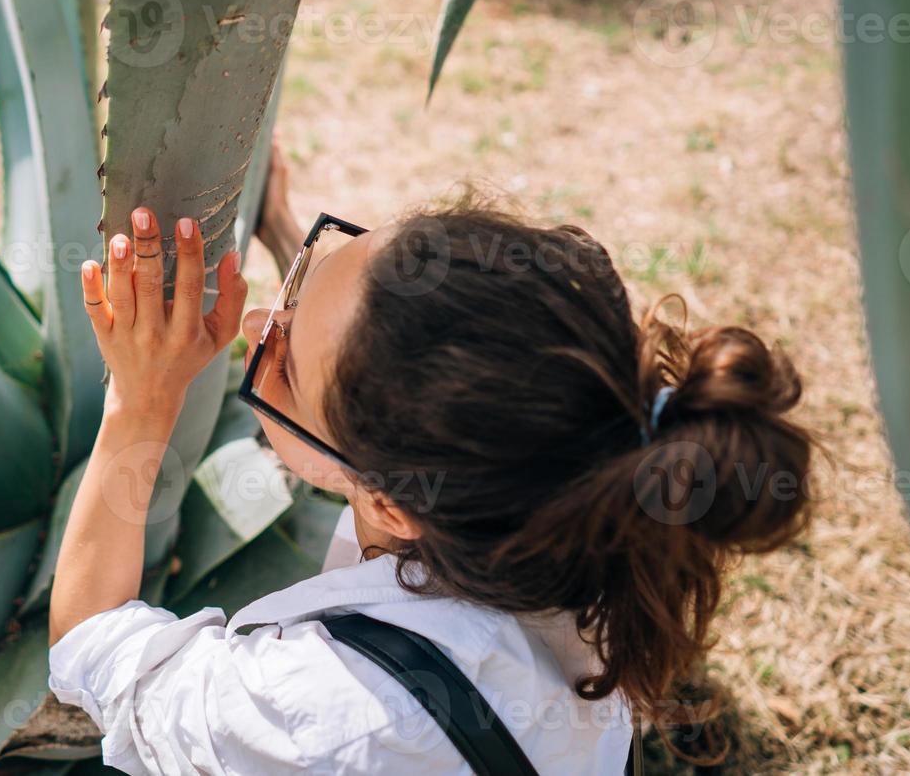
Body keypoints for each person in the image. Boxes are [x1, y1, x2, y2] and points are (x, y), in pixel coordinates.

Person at [47, 147, 816, 775]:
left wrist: (140, 404)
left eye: (281, 363)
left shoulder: (327, 719)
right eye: (320, 259)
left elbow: (95, 650)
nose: (257, 324)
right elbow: (395, 361)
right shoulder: (594, 528)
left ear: (392, 507)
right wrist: (282, 228)